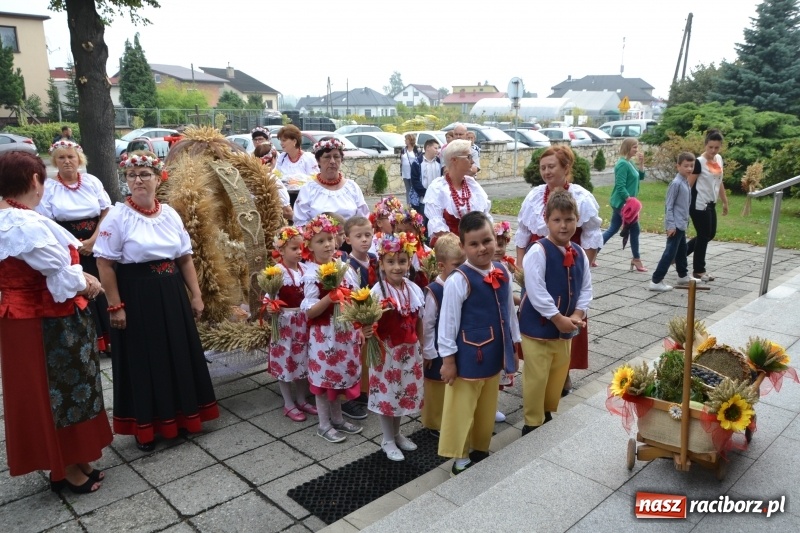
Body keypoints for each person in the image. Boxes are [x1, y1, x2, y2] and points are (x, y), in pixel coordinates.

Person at [0, 151, 111, 494]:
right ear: (35, 181)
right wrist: (89, 283)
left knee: (70, 388)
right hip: (38, 322)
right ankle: (63, 467)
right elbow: (60, 274)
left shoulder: (17, 218)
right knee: (52, 393)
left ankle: (78, 456)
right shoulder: (21, 225)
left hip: (39, 318)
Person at [94, 150, 219, 451]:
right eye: (132, 175)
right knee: (144, 360)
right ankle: (146, 428)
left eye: (145, 174)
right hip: (137, 295)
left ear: (158, 178)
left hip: (171, 292)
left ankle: (182, 418)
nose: (138, 180)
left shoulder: (170, 214)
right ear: (126, 180)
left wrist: (197, 295)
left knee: (177, 352)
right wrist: (115, 305)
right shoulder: (118, 217)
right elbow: (105, 265)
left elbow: (185, 258)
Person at [438, 212, 520, 476]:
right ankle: (459, 456)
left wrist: (513, 347)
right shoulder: (459, 280)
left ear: (495, 239)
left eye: (487, 240)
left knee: (487, 405)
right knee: (462, 408)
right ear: (463, 247)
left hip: (493, 354)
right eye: (473, 244)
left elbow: (509, 314)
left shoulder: (503, 272)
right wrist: (448, 360)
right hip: (467, 358)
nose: (482, 248)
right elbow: (447, 323)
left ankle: (480, 446)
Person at [514, 146, 601, 393]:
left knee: (566, 315)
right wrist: (520, 265)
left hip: (565, 267)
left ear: (566, 168)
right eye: (543, 167)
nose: (546, 172)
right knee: (536, 317)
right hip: (536, 266)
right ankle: (536, 370)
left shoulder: (581, 197)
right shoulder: (534, 196)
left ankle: (563, 374)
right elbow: (522, 234)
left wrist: (580, 266)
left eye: (552, 166)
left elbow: (592, 237)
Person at [519, 191, 592, 436]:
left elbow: (585, 287)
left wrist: (579, 313)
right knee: (537, 376)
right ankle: (532, 420)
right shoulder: (538, 251)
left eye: (569, 219)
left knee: (558, 372)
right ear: (547, 220)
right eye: (558, 220)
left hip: (566, 327)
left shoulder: (580, 253)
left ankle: (547, 409)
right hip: (539, 327)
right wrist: (557, 318)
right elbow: (536, 290)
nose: (564, 225)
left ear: (577, 220)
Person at [36, 140, 113, 356]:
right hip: (69, 247)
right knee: (82, 289)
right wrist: (76, 245)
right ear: (55, 161)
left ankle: (111, 339)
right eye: (61, 157)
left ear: (79, 159)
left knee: (104, 287)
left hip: (96, 242)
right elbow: (47, 222)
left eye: (71, 156)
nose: (67, 161)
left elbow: (106, 211)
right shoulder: (49, 187)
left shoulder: (91, 182)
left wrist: (94, 240)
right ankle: (91, 341)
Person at [300, 214, 364, 443]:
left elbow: (354, 297)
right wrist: (330, 298)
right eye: (320, 241)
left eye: (330, 239)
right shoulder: (311, 273)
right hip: (324, 335)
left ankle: (337, 418)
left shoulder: (343, 266)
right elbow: (308, 312)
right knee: (324, 379)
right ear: (309, 246)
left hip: (344, 331)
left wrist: (358, 324)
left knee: (338, 378)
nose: (327, 244)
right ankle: (324, 424)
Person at [368, 232, 425, 461]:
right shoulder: (377, 292)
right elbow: (369, 324)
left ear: (409, 261)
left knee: (403, 394)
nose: (397, 267)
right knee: (388, 395)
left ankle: (397, 432)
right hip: (387, 353)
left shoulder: (413, 289)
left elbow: (419, 320)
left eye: (402, 261)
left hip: (409, 351)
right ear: (381, 263)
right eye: (390, 262)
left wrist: (422, 347)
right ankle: (387, 439)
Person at [265, 226, 316, 421]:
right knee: (286, 360)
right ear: (282, 249)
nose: (298, 252)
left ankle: (302, 398)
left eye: (300, 248)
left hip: (303, 321)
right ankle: (288, 402)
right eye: (294, 249)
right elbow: (269, 297)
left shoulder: (306, 269)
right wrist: (271, 306)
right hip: (286, 323)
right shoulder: (277, 272)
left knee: (303, 359)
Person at [421, 232, 464, 436]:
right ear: (441, 266)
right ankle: (434, 423)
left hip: (457, 345)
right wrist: (429, 352)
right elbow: (427, 324)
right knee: (437, 386)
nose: (462, 269)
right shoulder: (434, 291)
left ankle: (452, 419)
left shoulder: (463, 284)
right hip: (438, 349)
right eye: (457, 265)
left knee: (454, 384)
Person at [650, 153, 699, 292]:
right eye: (686, 166)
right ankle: (656, 280)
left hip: (681, 224)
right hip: (675, 226)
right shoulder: (676, 183)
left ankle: (682, 275)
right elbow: (669, 205)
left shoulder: (685, 181)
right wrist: (670, 225)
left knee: (682, 251)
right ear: (678, 166)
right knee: (670, 253)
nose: (689, 168)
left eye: (691, 165)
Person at [425, 140, 492, 242]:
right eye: (468, 157)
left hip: (475, 248)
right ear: (454, 160)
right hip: (451, 251)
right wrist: (463, 246)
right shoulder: (438, 188)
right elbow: (437, 226)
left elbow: (485, 218)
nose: (472, 161)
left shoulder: (472, 185)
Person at [292, 138, 369, 227]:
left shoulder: (352, 187)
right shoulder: (308, 189)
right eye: (327, 157)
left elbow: (363, 221)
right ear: (318, 160)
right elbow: (300, 223)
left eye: (336, 157)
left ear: (341, 159)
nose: (332, 161)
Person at [686, 129, 729, 282]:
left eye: (716, 147)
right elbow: (688, 185)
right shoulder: (699, 162)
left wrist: (724, 201)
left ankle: (679, 254)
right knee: (704, 235)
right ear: (705, 145)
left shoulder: (718, 159)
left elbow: (719, 181)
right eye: (710, 147)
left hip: (711, 203)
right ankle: (699, 270)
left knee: (710, 234)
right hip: (698, 204)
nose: (713, 150)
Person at [602, 138, 647, 271]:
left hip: (625, 204)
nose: (636, 149)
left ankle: (592, 252)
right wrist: (630, 201)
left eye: (637, 147)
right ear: (627, 148)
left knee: (613, 229)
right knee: (635, 229)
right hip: (622, 204)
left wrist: (641, 163)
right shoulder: (622, 164)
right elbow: (620, 187)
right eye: (634, 147)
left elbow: (641, 177)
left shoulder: (630, 162)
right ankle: (636, 259)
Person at [275, 125, 319, 206]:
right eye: (280, 140)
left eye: (284, 140)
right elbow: (277, 177)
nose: (281, 143)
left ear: (294, 141)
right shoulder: (282, 157)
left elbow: (315, 181)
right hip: (286, 201)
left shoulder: (308, 158)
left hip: (305, 201)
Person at [254, 143, 293, 221]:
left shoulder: (251, 177)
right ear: (273, 160)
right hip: (272, 225)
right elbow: (287, 212)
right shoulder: (272, 179)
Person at [409, 139, 441, 227]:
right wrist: (426, 193)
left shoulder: (439, 162)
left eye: (438, 148)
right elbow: (415, 181)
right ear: (428, 148)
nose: (437, 151)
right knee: (421, 224)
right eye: (435, 148)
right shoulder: (417, 162)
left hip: (436, 200)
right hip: (422, 200)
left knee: (434, 223)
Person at [400, 133, 421, 206]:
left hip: (413, 172)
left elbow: (419, 160)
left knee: (414, 188)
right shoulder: (403, 149)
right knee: (408, 189)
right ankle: (408, 205)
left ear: (410, 140)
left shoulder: (416, 149)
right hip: (405, 172)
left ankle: (414, 203)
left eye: (406, 139)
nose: (405, 141)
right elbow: (401, 160)